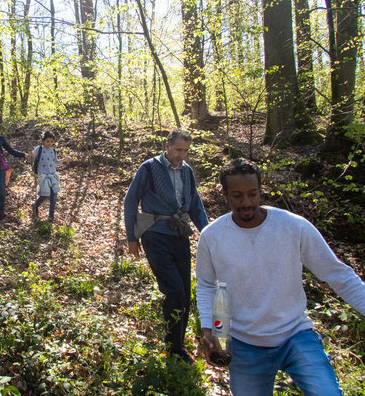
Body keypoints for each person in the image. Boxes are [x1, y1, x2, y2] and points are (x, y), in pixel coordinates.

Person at [196, 158, 365, 395]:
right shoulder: (212, 236)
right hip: (245, 344)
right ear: (225, 195)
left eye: (252, 194)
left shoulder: (293, 227)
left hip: (295, 334)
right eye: (237, 196)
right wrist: (209, 328)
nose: (246, 202)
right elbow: (206, 284)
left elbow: (337, 274)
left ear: (261, 191)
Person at [124, 129, 209, 363]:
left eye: (185, 151)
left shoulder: (187, 171)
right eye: (178, 149)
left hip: (179, 234)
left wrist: (210, 234)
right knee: (174, 291)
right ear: (167, 145)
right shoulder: (149, 168)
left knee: (184, 291)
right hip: (154, 234)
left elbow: (195, 204)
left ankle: (178, 344)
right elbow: (131, 200)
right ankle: (173, 349)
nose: (181, 155)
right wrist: (132, 238)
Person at [30, 131, 72, 223]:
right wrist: (29, 156)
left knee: (54, 195)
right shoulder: (39, 149)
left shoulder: (53, 150)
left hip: (53, 174)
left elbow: (56, 161)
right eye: (47, 141)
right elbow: (32, 156)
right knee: (45, 194)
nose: (49, 143)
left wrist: (64, 159)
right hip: (43, 175)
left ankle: (51, 216)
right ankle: (35, 205)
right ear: (43, 141)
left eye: (51, 141)